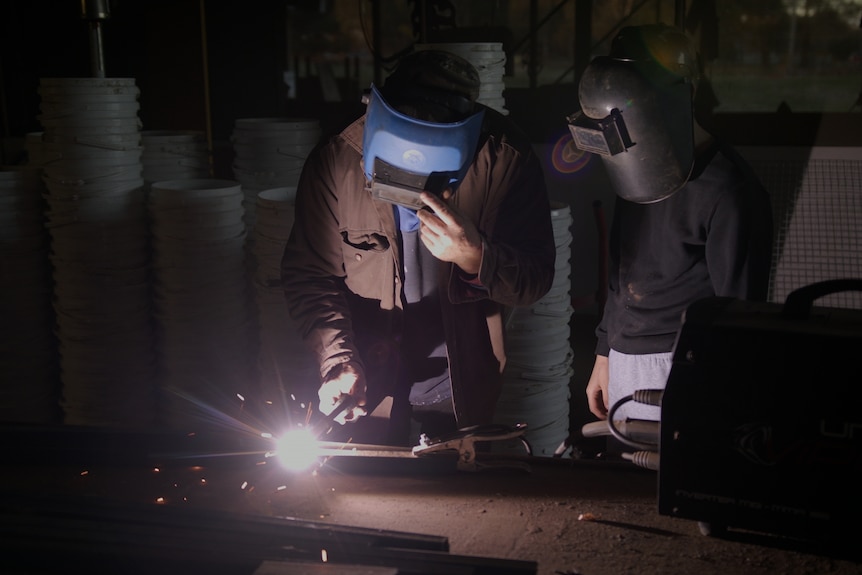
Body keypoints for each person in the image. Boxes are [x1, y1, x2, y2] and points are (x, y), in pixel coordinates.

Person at [281, 49, 556, 446]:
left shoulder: (503, 158)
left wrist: (476, 257)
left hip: (456, 381)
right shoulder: (339, 159)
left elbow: (534, 279)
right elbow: (310, 274)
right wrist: (339, 360)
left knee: (451, 493)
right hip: (365, 379)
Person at [567, 24, 774, 424]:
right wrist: (606, 352)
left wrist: (717, 389)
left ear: (683, 94)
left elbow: (741, 315)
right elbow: (621, 271)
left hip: (681, 363)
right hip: (625, 358)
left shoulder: (731, 191)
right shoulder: (637, 168)